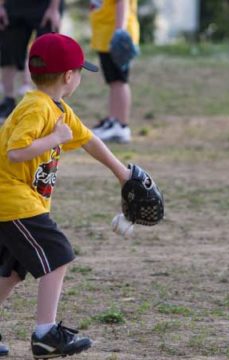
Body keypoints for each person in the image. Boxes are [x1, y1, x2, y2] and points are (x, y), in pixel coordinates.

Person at [0, 33, 131, 358]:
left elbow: (88, 140)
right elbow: (17, 152)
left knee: (11, 272)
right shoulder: (36, 108)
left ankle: (45, 333)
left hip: (18, 201)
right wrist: (55, 137)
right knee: (58, 255)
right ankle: (46, 334)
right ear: (69, 77)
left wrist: (123, 174)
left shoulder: (56, 107)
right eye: (79, 73)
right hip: (13, 199)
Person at [0, 0, 64, 123]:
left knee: (46, 53)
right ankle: (8, 101)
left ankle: (47, 105)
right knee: (9, 50)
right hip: (13, 5)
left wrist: (54, 8)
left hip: (45, 5)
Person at [89, 0, 140, 143]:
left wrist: (119, 31)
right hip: (105, 37)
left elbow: (122, 3)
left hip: (114, 38)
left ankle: (122, 125)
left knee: (120, 80)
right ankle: (113, 120)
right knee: (113, 82)